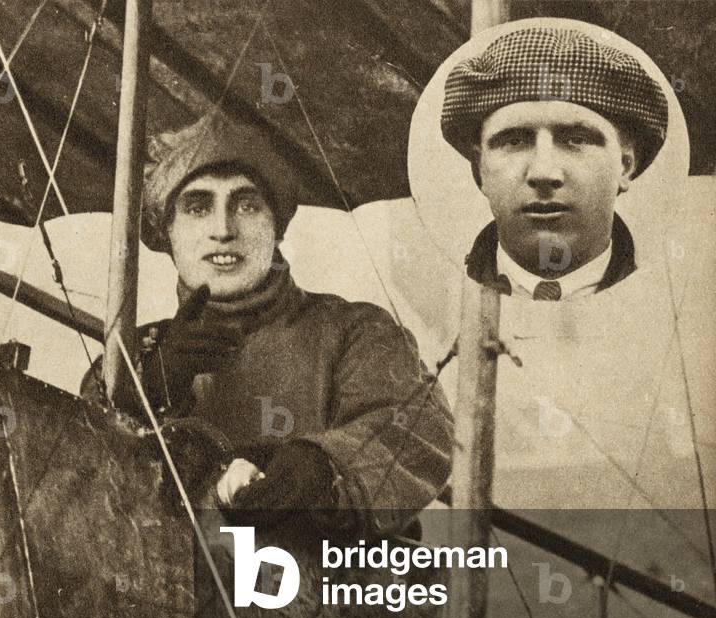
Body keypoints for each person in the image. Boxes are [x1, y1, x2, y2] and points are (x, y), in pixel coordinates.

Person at [82, 115, 453, 536]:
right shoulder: (131, 356)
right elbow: (87, 482)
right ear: (167, 231)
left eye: (247, 204)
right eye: (198, 207)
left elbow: (422, 431)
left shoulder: (357, 332)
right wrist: (146, 391)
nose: (223, 230)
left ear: (277, 225)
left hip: (328, 590)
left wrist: (323, 466)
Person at [440, 26, 668, 300]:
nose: (543, 173)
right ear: (479, 168)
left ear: (625, 165)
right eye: (514, 141)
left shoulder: (666, 300)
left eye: (576, 139)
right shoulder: (441, 302)